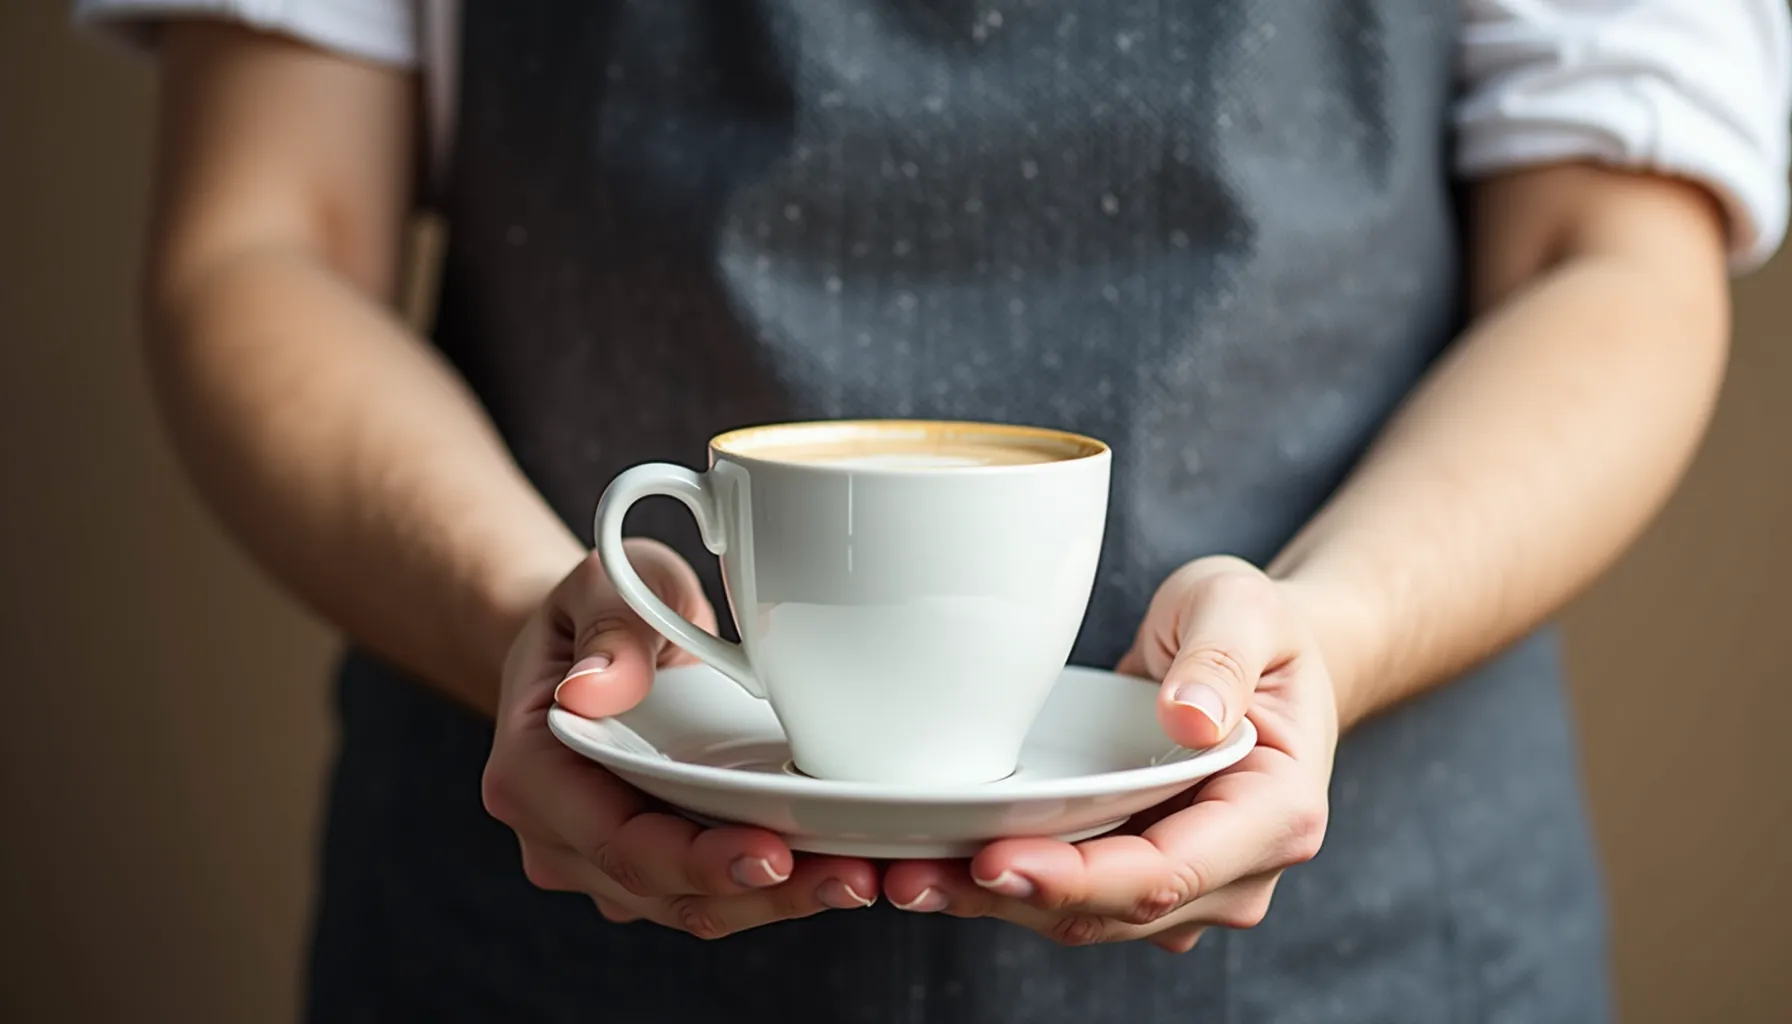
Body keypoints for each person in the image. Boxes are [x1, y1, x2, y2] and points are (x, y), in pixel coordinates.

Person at [77, 1, 1790, 1020]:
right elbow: (269, 238)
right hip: (526, 947)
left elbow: (1604, 254)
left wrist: (1332, 631)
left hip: (1374, 951)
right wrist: (530, 608)